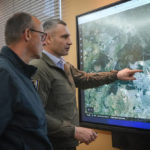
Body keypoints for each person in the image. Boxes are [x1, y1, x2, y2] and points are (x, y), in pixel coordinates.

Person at [30, 19, 142, 150]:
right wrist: (74, 131)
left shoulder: (62, 65)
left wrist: (116, 75)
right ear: (47, 39)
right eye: (64, 37)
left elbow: (85, 79)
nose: (70, 42)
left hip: (66, 144)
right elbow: (35, 115)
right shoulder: (38, 68)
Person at [0, 12, 53, 150]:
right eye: (42, 36)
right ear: (28, 34)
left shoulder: (21, 74)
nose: (45, 42)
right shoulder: (4, 74)